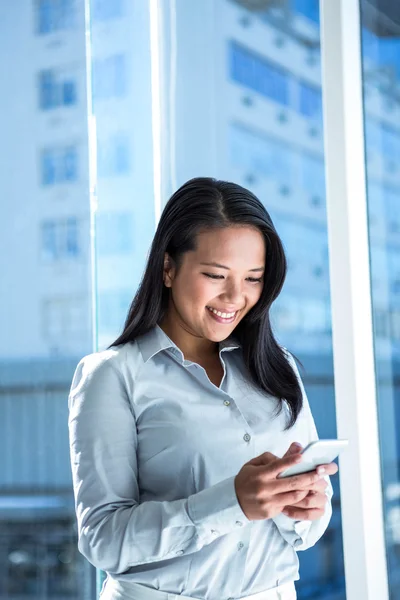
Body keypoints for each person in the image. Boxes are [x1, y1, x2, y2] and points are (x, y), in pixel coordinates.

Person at [68, 177, 338, 600]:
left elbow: (305, 526)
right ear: (168, 268)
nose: (235, 296)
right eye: (216, 275)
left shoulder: (275, 366)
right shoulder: (113, 376)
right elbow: (103, 540)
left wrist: (304, 507)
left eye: (253, 278)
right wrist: (231, 502)